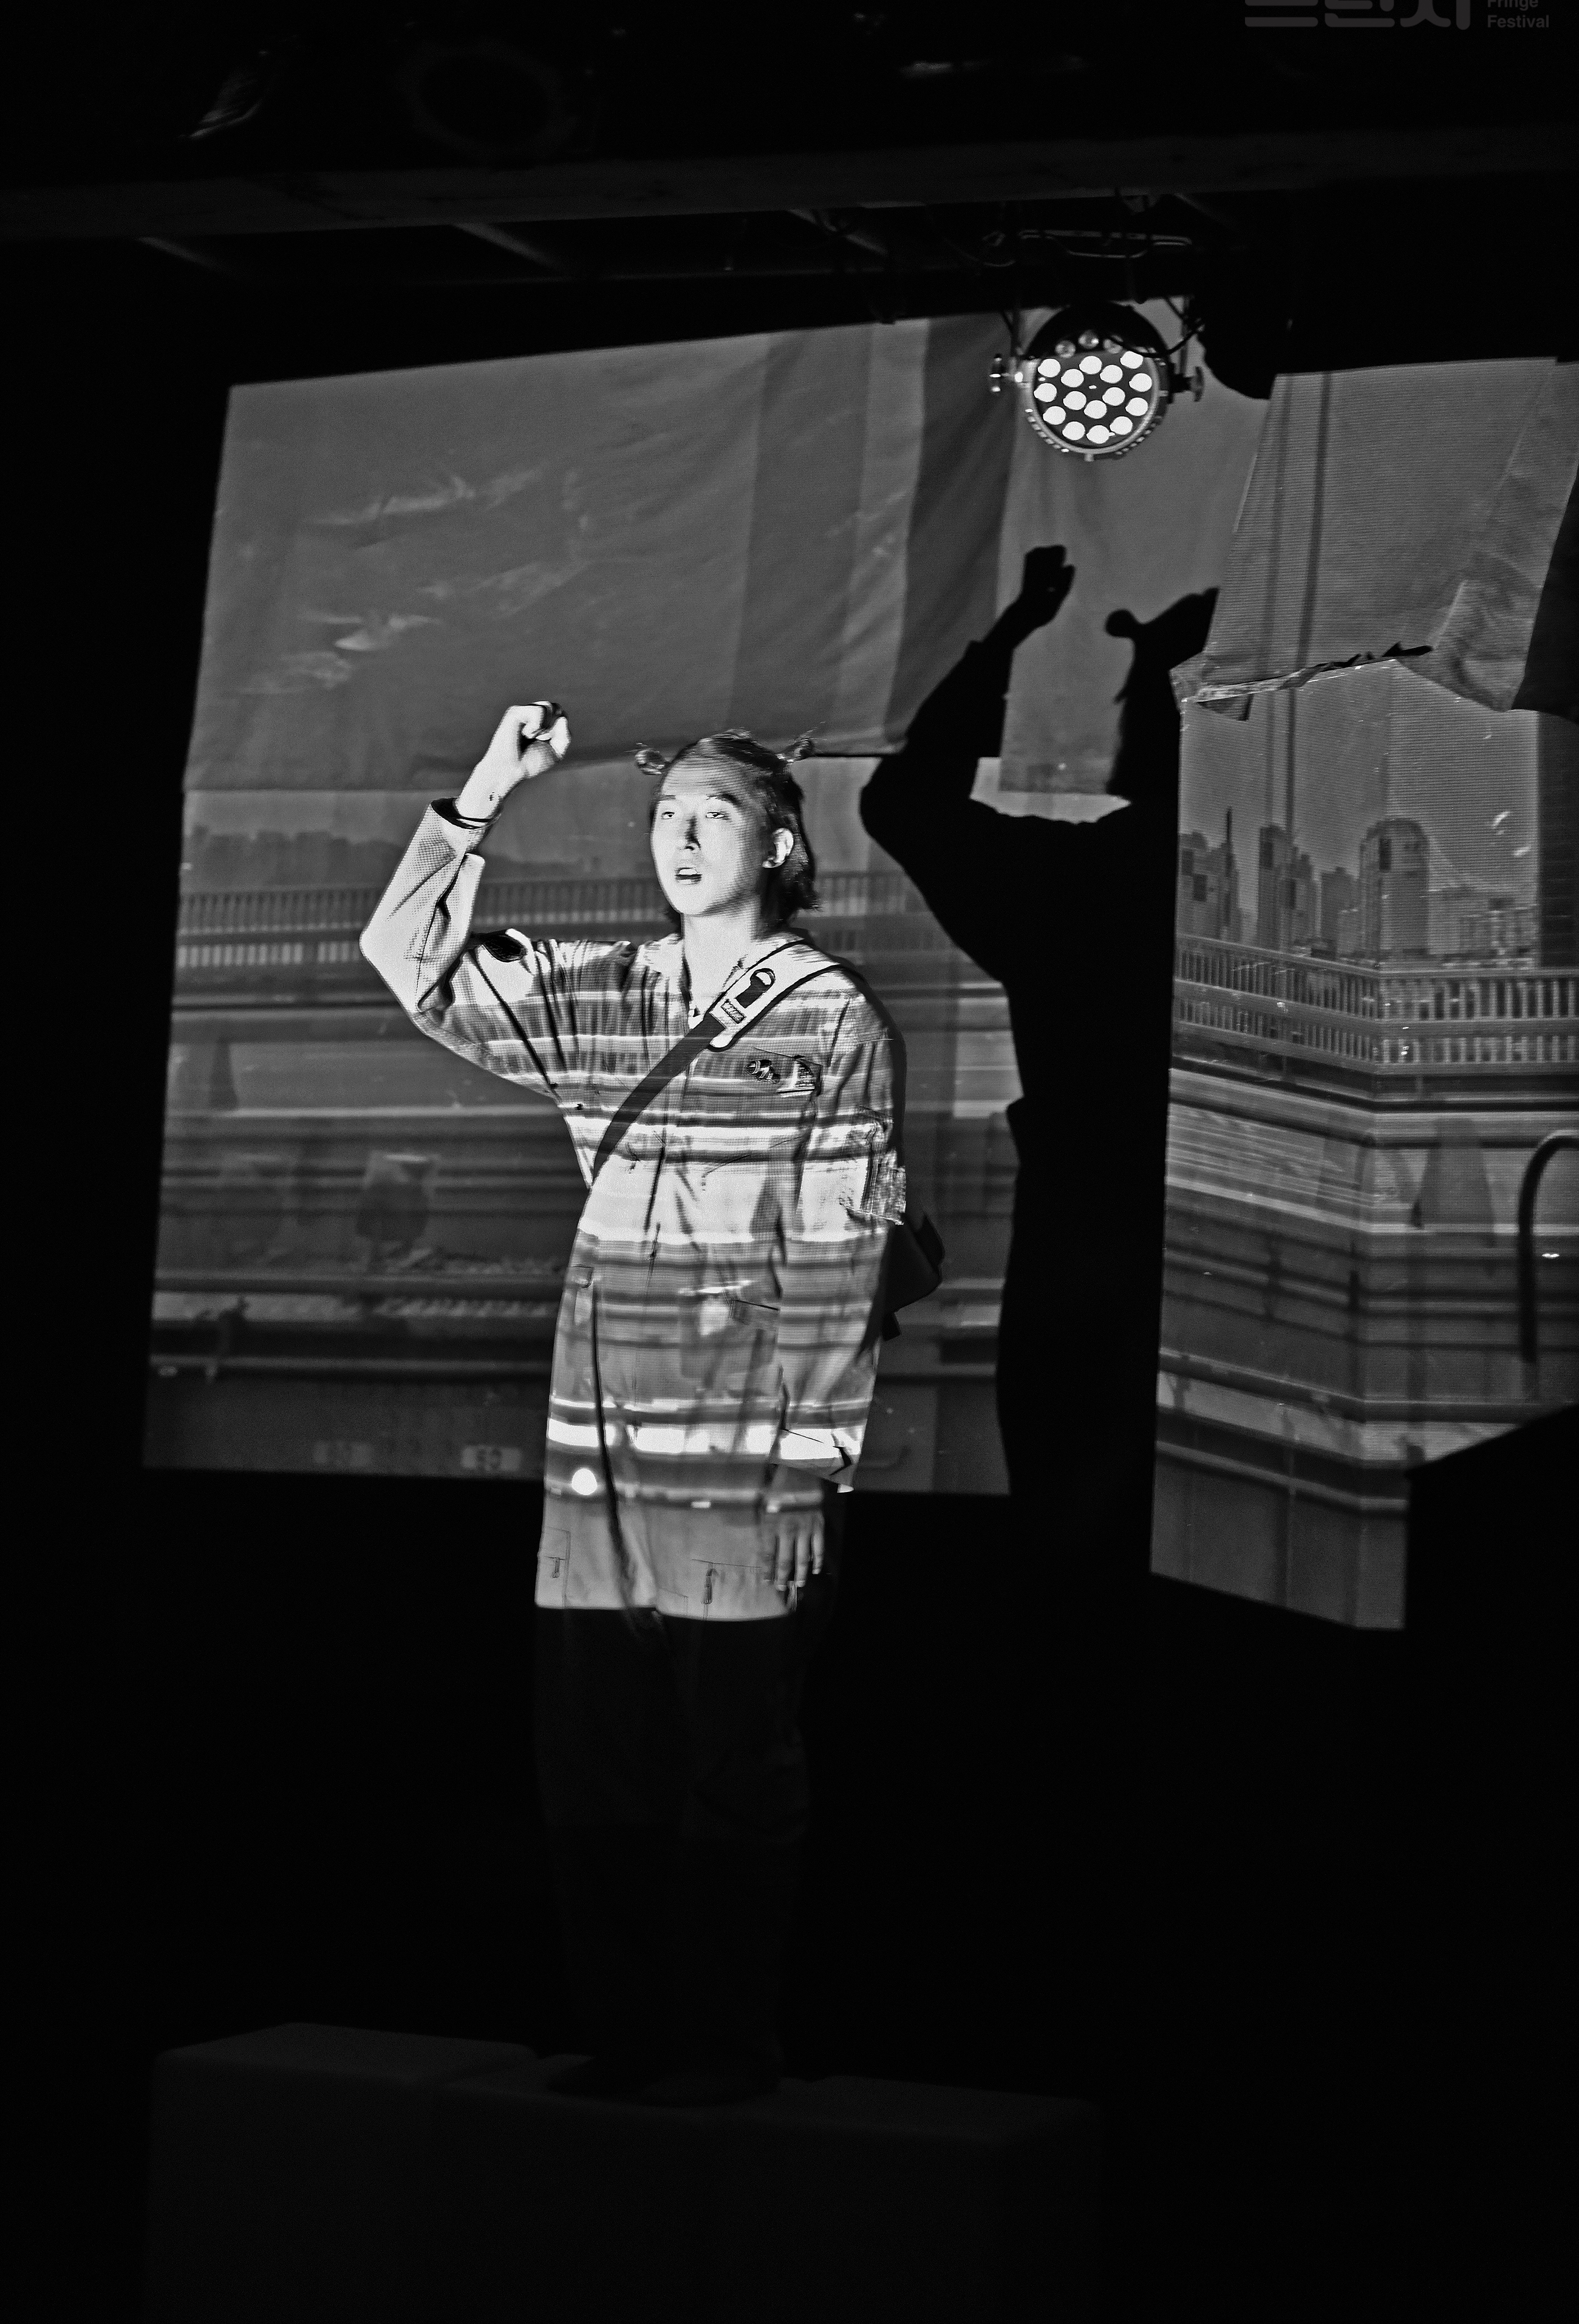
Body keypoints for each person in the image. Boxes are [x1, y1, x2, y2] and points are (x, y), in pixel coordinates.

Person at [361, 703, 906, 2107]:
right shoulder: (608, 991)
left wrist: (812, 1465)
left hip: (741, 1445)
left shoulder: (830, 1014)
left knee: (735, 1750)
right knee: (592, 1750)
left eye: (713, 814)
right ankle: (621, 2031)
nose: (680, 837)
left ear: (777, 846)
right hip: (594, 1430)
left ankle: (724, 2045)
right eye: (666, 816)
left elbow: (840, 1252)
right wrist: (486, 790)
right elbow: (408, 961)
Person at [861, 547, 1218, 1611]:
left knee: (1073, 1542)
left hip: (1081, 1254)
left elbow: (904, 801)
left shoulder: (1080, 888)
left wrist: (1011, 639)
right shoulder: (1259, 897)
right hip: (1239, 1263)